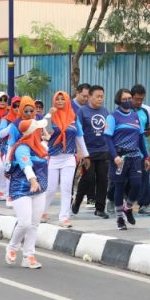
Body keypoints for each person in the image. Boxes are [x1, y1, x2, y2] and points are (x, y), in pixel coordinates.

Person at [4, 105, 50, 269]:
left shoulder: (41, 147)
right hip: (21, 189)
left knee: (34, 224)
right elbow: (26, 165)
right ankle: (12, 247)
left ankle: (28, 256)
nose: (41, 131)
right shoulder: (22, 148)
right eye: (38, 129)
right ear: (31, 132)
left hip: (39, 189)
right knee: (24, 223)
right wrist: (33, 180)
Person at [104, 88, 149, 230]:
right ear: (119, 100)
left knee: (137, 184)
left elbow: (141, 138)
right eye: (125, 99)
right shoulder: (113, 117)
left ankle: (128, 207)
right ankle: (119, 218)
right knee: (119, 186)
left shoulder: (135, 116)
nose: (128, 101)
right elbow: (107, 138)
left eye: (130, 98)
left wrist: (146, 156)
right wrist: (115, 157)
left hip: (135, 156)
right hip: (120, 157)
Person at [41, 91, 87, 227]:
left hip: (69, 157)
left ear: (67, 101)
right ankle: (42, 212)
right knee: (51, 188)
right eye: (58, 99)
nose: (60, 101)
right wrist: (49, 114)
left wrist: (85, 154)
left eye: (63, 99)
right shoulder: (51, 116)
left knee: (66, 188)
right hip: (54, 157)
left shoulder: (73, 117)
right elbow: (44, 129)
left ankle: (64, 217)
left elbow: (79, 136)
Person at [72, 84, 109, 219]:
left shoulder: (105, 111)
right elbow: (77, 132)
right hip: (88, 151)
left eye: (102, 97)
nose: (100, 99)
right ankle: (78, 200)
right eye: (97, 96)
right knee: (88, 178)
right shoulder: (82, 111)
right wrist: (80, 152)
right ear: (90, 97)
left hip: (103, 149)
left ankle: (100, 209)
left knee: (103, 179)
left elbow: (108, 130)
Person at [129, 83, 150, 215]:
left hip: (142, 150)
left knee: (144, 177)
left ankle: (144, 205)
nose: (139, 102)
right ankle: (119, 201)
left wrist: (147, 132)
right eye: (136, 99)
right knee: (126, 178)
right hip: (126, 151)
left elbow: (149, 128)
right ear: (131, 97)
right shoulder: (124, 110)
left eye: (141, 99)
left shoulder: (145, 111)